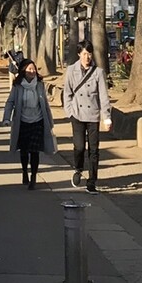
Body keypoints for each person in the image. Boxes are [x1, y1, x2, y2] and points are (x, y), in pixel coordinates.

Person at [61, 41, 110, 193]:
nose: (87, 57)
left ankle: (92, 180)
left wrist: (106, 117)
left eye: (89, 54)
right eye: (84, 54)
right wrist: (69, 112)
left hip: (93, 115)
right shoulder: (71, 70)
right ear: (79, 54)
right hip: (77, 114)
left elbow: (103, 96)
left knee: (94, 149)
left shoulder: (98, 72)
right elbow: (67, 93)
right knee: (80, 146)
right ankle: (78, 168)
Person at [2, 57, 56, 188]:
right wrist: (6, 118)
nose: (32, 71)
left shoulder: (40, 85)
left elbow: (45, 105)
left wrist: (50, 122)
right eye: (29, 69)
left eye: (34, 69)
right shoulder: (18, 86)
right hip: (22, 121)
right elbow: (10, 102)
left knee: (35, 151)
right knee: (24, 150)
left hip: (37, 120)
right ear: (23, 71)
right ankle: (25, 171)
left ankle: (33, 177)